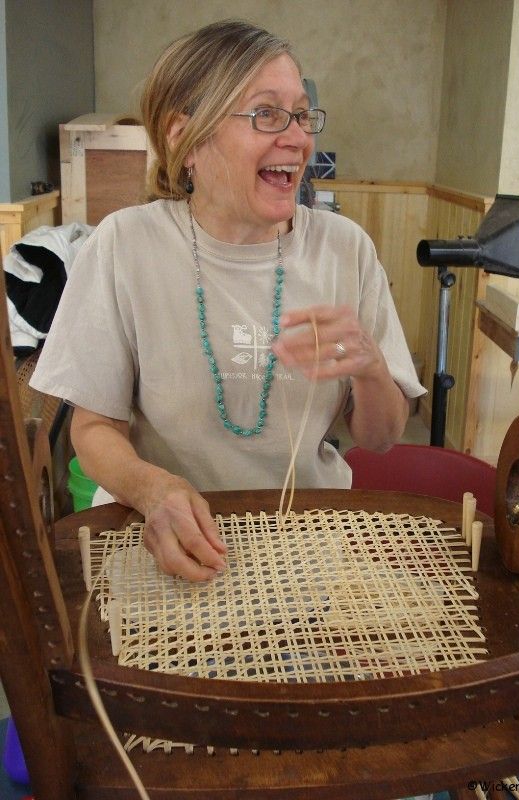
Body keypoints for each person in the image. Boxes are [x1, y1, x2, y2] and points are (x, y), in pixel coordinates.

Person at [31, 19, 425, 582]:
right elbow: (93, 430)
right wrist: (153, 489)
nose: (297, 138)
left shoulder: (345, 249)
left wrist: (371, 366)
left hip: (306, 545)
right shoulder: (125, 244)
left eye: (301, 114)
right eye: (266, 114)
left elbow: (381, 438)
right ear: (182, 137)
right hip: (166, 541)